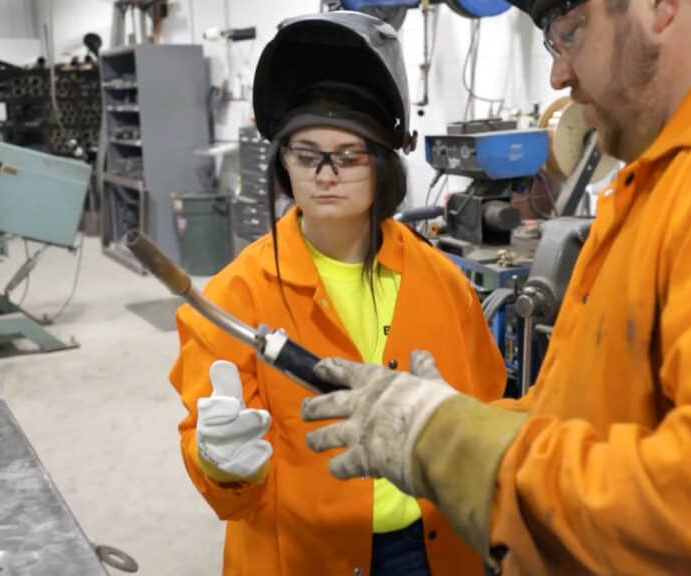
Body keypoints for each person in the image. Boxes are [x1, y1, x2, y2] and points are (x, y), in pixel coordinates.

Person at [299, 1, 691, 574]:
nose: (559, 75)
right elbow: (583, 416)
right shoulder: (659, 182)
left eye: (570, 32)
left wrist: (450, 439)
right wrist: (454, 418)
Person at [168, 11, 507, 576]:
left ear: (383, 167)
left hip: (433, 544)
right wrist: (221, 461)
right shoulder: (234, 297)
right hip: (301, 553)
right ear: (284, 164)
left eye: (348, 155)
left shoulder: (443, 283)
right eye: (306, 154)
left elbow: (487, 412)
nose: (326, 174)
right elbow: (229, 495)